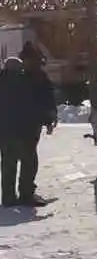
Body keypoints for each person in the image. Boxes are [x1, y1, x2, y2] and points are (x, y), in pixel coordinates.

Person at [0, 44, 57, 209]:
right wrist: (48, 120)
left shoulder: (3, 79)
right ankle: (25, 194)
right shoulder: (33, 79)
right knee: (28, 162)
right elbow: (43, 101)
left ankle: (9, 197)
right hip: (26, 130)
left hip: (5, 131)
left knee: (8, 163)